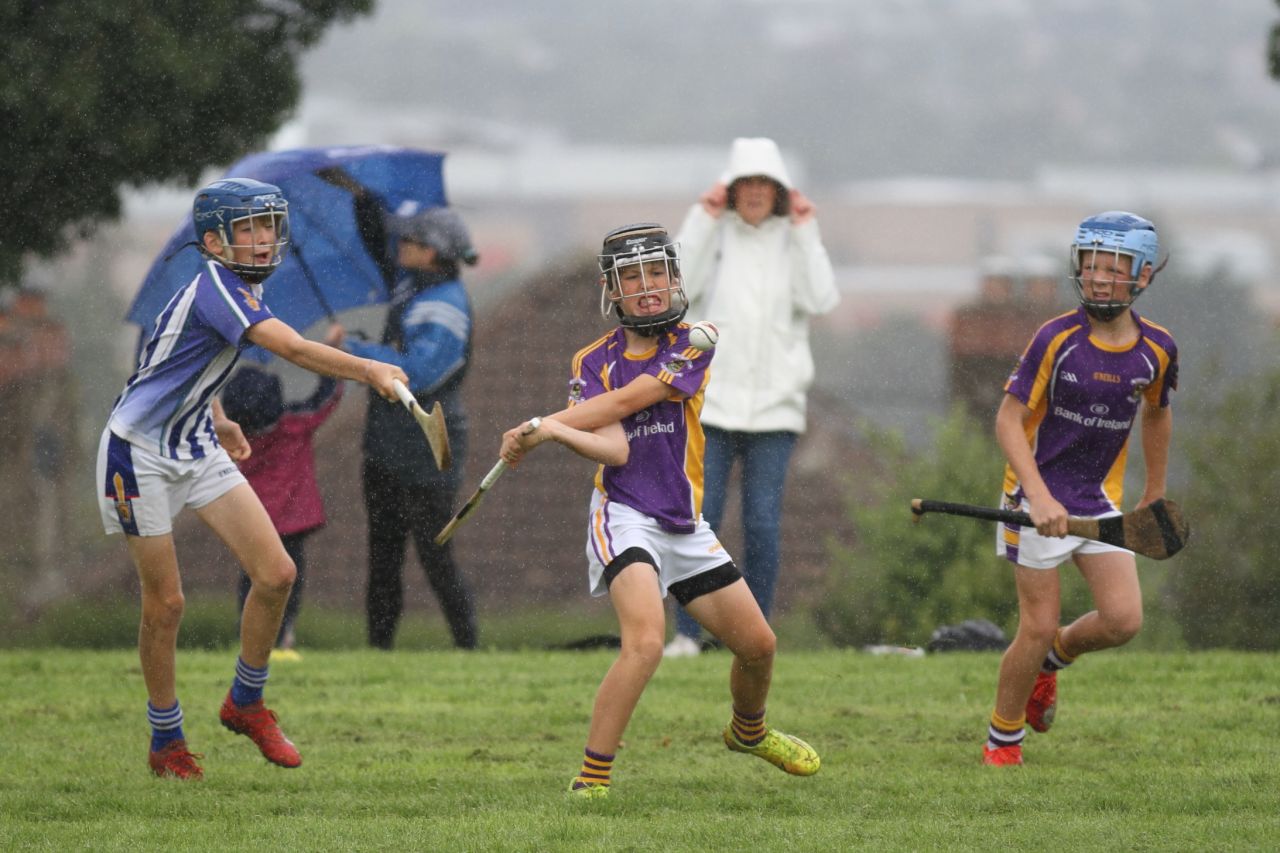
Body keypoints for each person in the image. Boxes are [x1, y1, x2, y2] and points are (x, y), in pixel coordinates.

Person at [98, 178, 407, 780]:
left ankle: (245, 702)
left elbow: (174, 359)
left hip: (195, 443)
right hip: (137, 454)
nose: (264, 239)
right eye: (249, 229)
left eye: (269, 225)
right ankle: (167, 741)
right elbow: (290, 349)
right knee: (166, 605)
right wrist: (371, 367)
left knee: (276, 573)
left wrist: (218, 415)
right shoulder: (220, 287)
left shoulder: (233, 288)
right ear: (214, 241)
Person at [500, 223, 820, 798]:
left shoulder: (695, 341)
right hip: (623, 513)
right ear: (611, 290)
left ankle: (748, 732)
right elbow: (615, 445)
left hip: (681, 519)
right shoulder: (592, 359)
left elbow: (633, 399)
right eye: (631, 276)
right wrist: (551, 432)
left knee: (759, 646)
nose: (647, 286)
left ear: (675, 278)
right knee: (646, 641)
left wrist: (543, 426)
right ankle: (592, 780)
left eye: (657, 273)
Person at [983, 211, 1177, 767]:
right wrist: (1038, 496)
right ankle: (1003, 740)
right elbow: (1007, 421)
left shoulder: (1157, 349)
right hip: (1034, 498)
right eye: (1090, 266)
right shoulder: (1056, 337)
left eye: (1112, 269)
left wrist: (1155, 492)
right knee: (1037, 624)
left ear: (1141, 277)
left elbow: (1158, 415)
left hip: (1097, 500)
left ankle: (1054, 662)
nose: (1097, 278)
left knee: (1123, 620)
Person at [665, 137, 839, 657]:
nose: (757, 194)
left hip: (776, 409)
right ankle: (687, 633)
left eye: (767, 185)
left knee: (762, 523)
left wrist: (807, 230)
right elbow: (678, 284)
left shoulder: (795, 238)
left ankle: (753, 635)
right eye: (748, 185)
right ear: (733, 190)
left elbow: (821, 297)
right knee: (700, 519)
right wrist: (702, 216)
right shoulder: (715, 236)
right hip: (713, 402)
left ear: (780, 192)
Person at [336, 206, 479, 650]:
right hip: (386, 443)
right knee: (383, 556)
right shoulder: (412, 286)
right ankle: (379, 650)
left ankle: (469, 648)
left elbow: (417, 375)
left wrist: (350, 351)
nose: (400, 248)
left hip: (427, 445)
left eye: (410, 242)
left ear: (431, 252)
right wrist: (361, 201)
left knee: (436, 555)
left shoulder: (444, 304)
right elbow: (379, 246)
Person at [220, 357, 345, 661]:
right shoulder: (294, 425)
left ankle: (247, 635)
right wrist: (330, 356)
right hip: (292, 522)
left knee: (251, 579)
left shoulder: (232, 441)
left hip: (251, 524)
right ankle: (283, 634)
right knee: (289, 581)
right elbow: (327, 396)